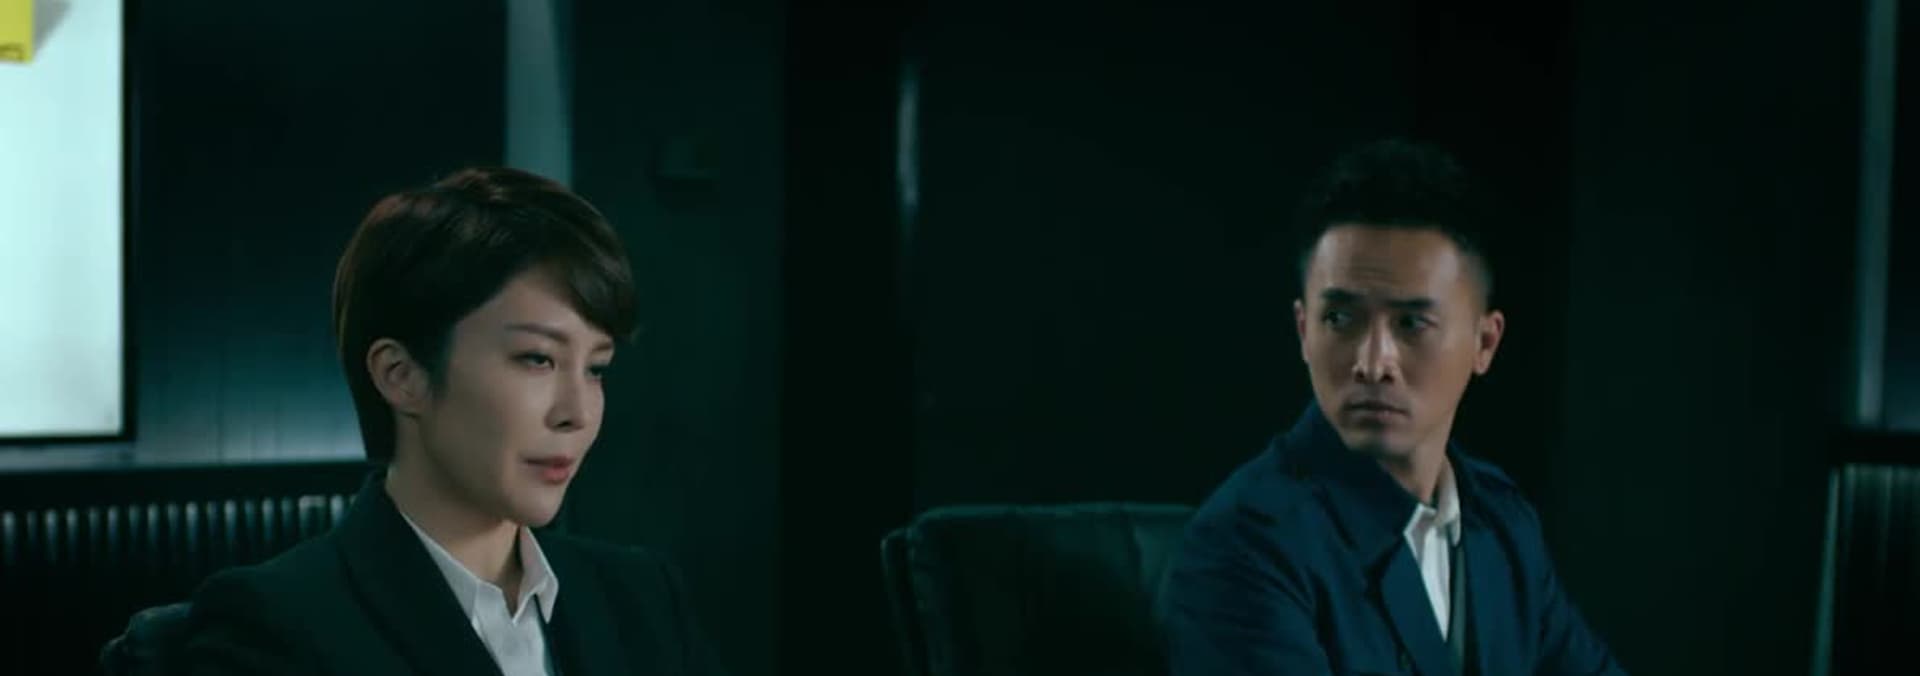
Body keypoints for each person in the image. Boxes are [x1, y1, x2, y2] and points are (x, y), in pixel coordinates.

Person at [180, 167, 727, 676]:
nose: (577, 414)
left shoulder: (642, 599)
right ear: (401, 376)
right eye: (537, 359)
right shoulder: (271, 625)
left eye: (596, 368)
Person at [1164, 140, 1625, 675]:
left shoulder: (1501, 521)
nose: (1373, 362)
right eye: (1340, 319)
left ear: (1485, 343)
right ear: (1303, 331)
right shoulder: (1245, 545)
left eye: (1411, 323)